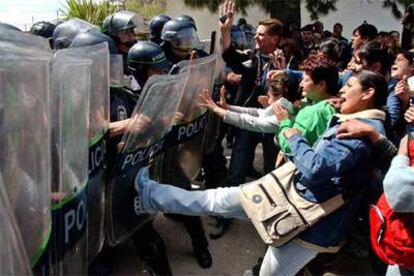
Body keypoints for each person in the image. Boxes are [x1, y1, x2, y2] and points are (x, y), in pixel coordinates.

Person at [133, 70, 389, 275]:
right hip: (286, 198)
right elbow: (262, 114)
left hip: (305, 220)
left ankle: (148, 194)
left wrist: (290, 130)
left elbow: (314, 168)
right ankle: (148, 194)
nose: (342, 90)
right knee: (215, 199)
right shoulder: (354, 122)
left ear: (368, 93)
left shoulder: (358, 132)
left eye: (350, 85)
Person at [219, 1, 280, 186]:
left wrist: (283, 73)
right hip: (248, 119)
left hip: (273, 122)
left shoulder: (288, 60)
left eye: (261, 34)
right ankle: (226, 209)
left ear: (274, 39)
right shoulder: (252, 58)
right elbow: (230, 55)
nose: (255, 38)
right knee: (237, 166)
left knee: (272, 170)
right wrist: (225, 31)